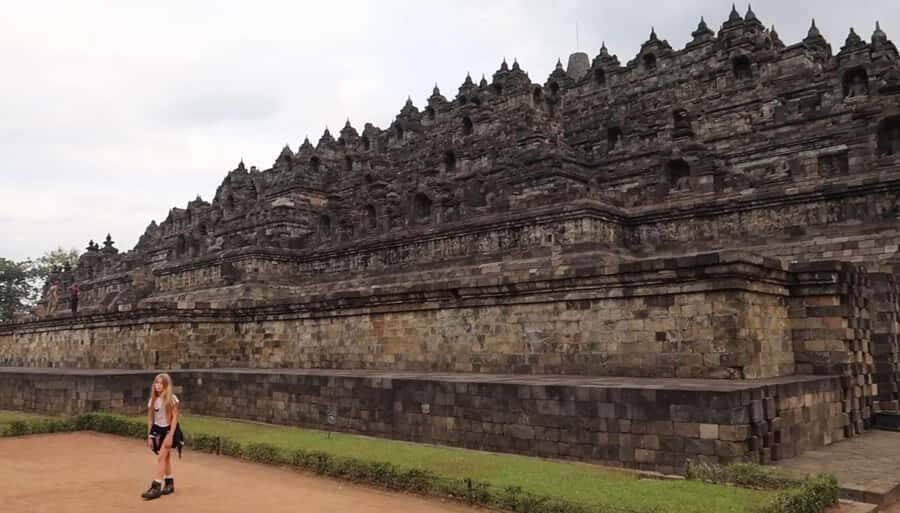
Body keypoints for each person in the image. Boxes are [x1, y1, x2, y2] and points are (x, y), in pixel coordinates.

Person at [141, 373, 185, 500]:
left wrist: (171, 435)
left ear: (166, 386)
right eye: (156, 383)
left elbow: (175, 418)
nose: (158, 386)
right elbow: (151, 419)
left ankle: (156, 486)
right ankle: (169, 483)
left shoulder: (172, 399)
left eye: (160, 383)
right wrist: (149, 436)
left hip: (170, 429)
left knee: (161, 457)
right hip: (158, 430)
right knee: (165, 458)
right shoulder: (153, 400)